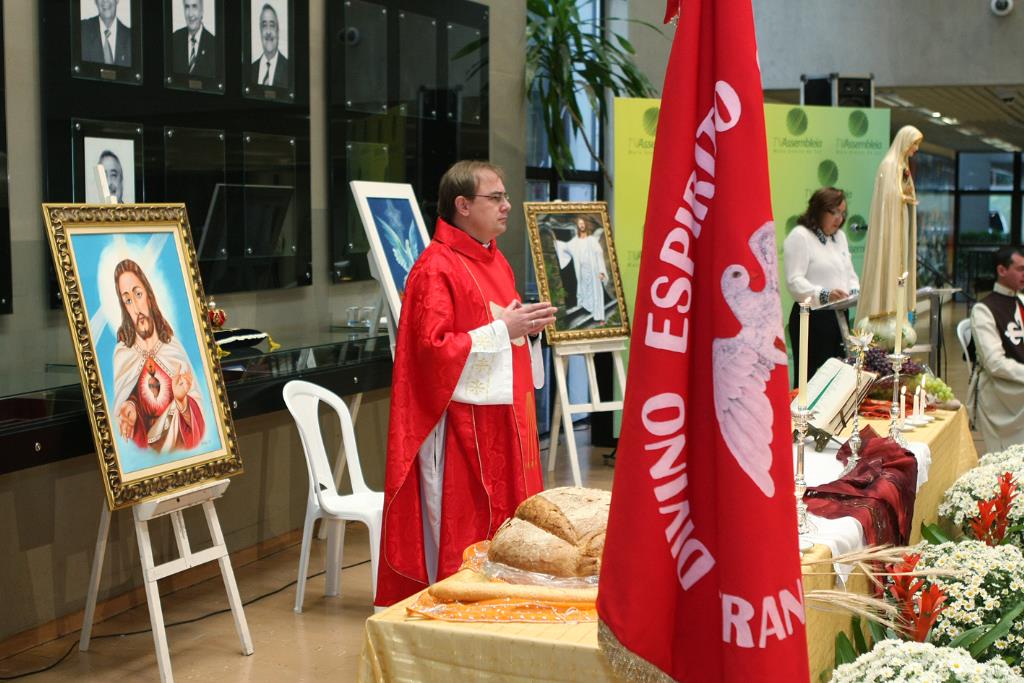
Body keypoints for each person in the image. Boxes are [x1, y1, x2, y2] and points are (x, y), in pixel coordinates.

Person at [375, 160, 556, 607]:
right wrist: (502, 330)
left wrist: (519, 329)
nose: (507, 206)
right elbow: (432, 349)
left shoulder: (494, 259)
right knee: (465, 522)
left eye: (505, 196)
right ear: (462, 205)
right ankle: (461, 602)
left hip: (503, 417)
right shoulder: (435, 268)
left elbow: (493, 326)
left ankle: (505, 594)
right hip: (460, 426)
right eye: (495, 198)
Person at [112, 259, 206, 453]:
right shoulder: (123, 354)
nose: (136, 308)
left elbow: (199, 424)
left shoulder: (172, 347)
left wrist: (183, 402)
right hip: (147, 458)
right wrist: (129, 405)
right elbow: (125, 412)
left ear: (149, 295)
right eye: (128, 300)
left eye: (138, 294)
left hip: (179, 453)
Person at [783, 186, 860, 385]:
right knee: (811, 381)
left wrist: (854, 292)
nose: (839, 219)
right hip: (811, 318)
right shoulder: (800, 236)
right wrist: (824, 294)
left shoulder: (840, 237)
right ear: (818, 209)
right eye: (833, 212)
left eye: (842, 214)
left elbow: (849, 273)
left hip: (839, 316)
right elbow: (794, 281)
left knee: (838, 380)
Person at [856, 125, 923, 340]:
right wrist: (904, 198)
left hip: (900, 224)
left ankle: (897, 310)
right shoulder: (889, 165)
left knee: (900, 263)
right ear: (905, 142)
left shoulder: (902, 166)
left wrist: (907, 198)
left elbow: (904, 191)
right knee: (889, 261)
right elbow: (889, 196)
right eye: (914, 144)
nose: (915, 149)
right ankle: (883, 308)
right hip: (890, 227)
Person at [968, 246, 1024, 453]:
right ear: (1001, 270)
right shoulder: (983, 309)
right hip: (1003, 390)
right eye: (1020, 269)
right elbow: (995, 364)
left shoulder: (1021, 301)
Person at [555, 216, 608, 323]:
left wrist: (601, 271)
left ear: (585, 225)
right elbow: (565, 247)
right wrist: (555, 242)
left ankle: (599, 317)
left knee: (596, 292)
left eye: (583, 223)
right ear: (578, 226)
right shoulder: (576, 241)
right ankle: (588, 310)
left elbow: (599, 254)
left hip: (594, 271)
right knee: (584, 291)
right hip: (582, 272)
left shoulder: (592, 240)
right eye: (580, 224)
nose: (582, 225)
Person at [172, 0, 217, 78]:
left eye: (194, 6)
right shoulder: (175, 39)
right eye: (187, 7)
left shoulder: (214, 44)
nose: (190, 14)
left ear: (202, 11)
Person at [81, 0, 132, 67]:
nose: (105, 1)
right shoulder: (81, 30)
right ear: (95, 2)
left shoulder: (132, 37)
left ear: (117, 1)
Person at [250, 3, 289, 87]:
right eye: (264, 25)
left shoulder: (290, 69)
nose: (268, 31)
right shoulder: (249, 70)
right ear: (260, 31)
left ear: (278, 31)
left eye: (272, 25)